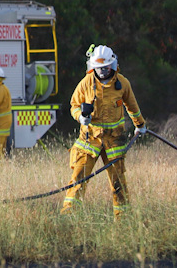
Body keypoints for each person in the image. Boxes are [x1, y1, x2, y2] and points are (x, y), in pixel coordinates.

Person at [60, 44, 146, 219]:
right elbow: (74, 105)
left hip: (114, 140)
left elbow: (133, 107)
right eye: (98, 68)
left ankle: (122, 219)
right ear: (93, 67)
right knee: (78, 178)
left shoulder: (122, 84)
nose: (102, 71)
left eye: (105, 68)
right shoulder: (85, 83)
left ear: (112, 65)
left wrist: (140, 125)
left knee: (118, 182)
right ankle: (69, 215)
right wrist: (80, 117)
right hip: (90, 139)